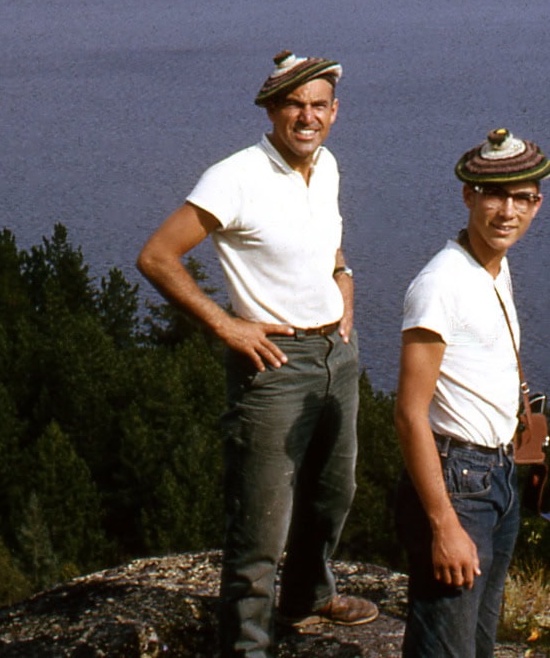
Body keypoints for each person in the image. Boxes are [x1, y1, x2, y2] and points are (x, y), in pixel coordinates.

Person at [137, 50, 377, 658]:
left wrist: (343, 276)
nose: (307, 116)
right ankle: (246, 644)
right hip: (273, 366)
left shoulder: (325, 167)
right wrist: (227, 325)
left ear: (334, 112)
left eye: (319, 105)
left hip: (334, 354)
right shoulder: (235, 176)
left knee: (334, 491)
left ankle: (307, 596)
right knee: (262, 519)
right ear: (271, 110)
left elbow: (327, 237)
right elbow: (158, 256)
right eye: (295, 104)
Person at [393, 128, 550, 658]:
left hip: (498, 476)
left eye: (522, 198)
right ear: (468, 195)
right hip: (457, 483)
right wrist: (443, 524)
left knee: (478, 643)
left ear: (538, 202)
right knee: (446, 645)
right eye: (494, 195)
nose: (508, 211)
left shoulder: (493, 264)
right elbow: (410, 414)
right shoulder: (440, 284)